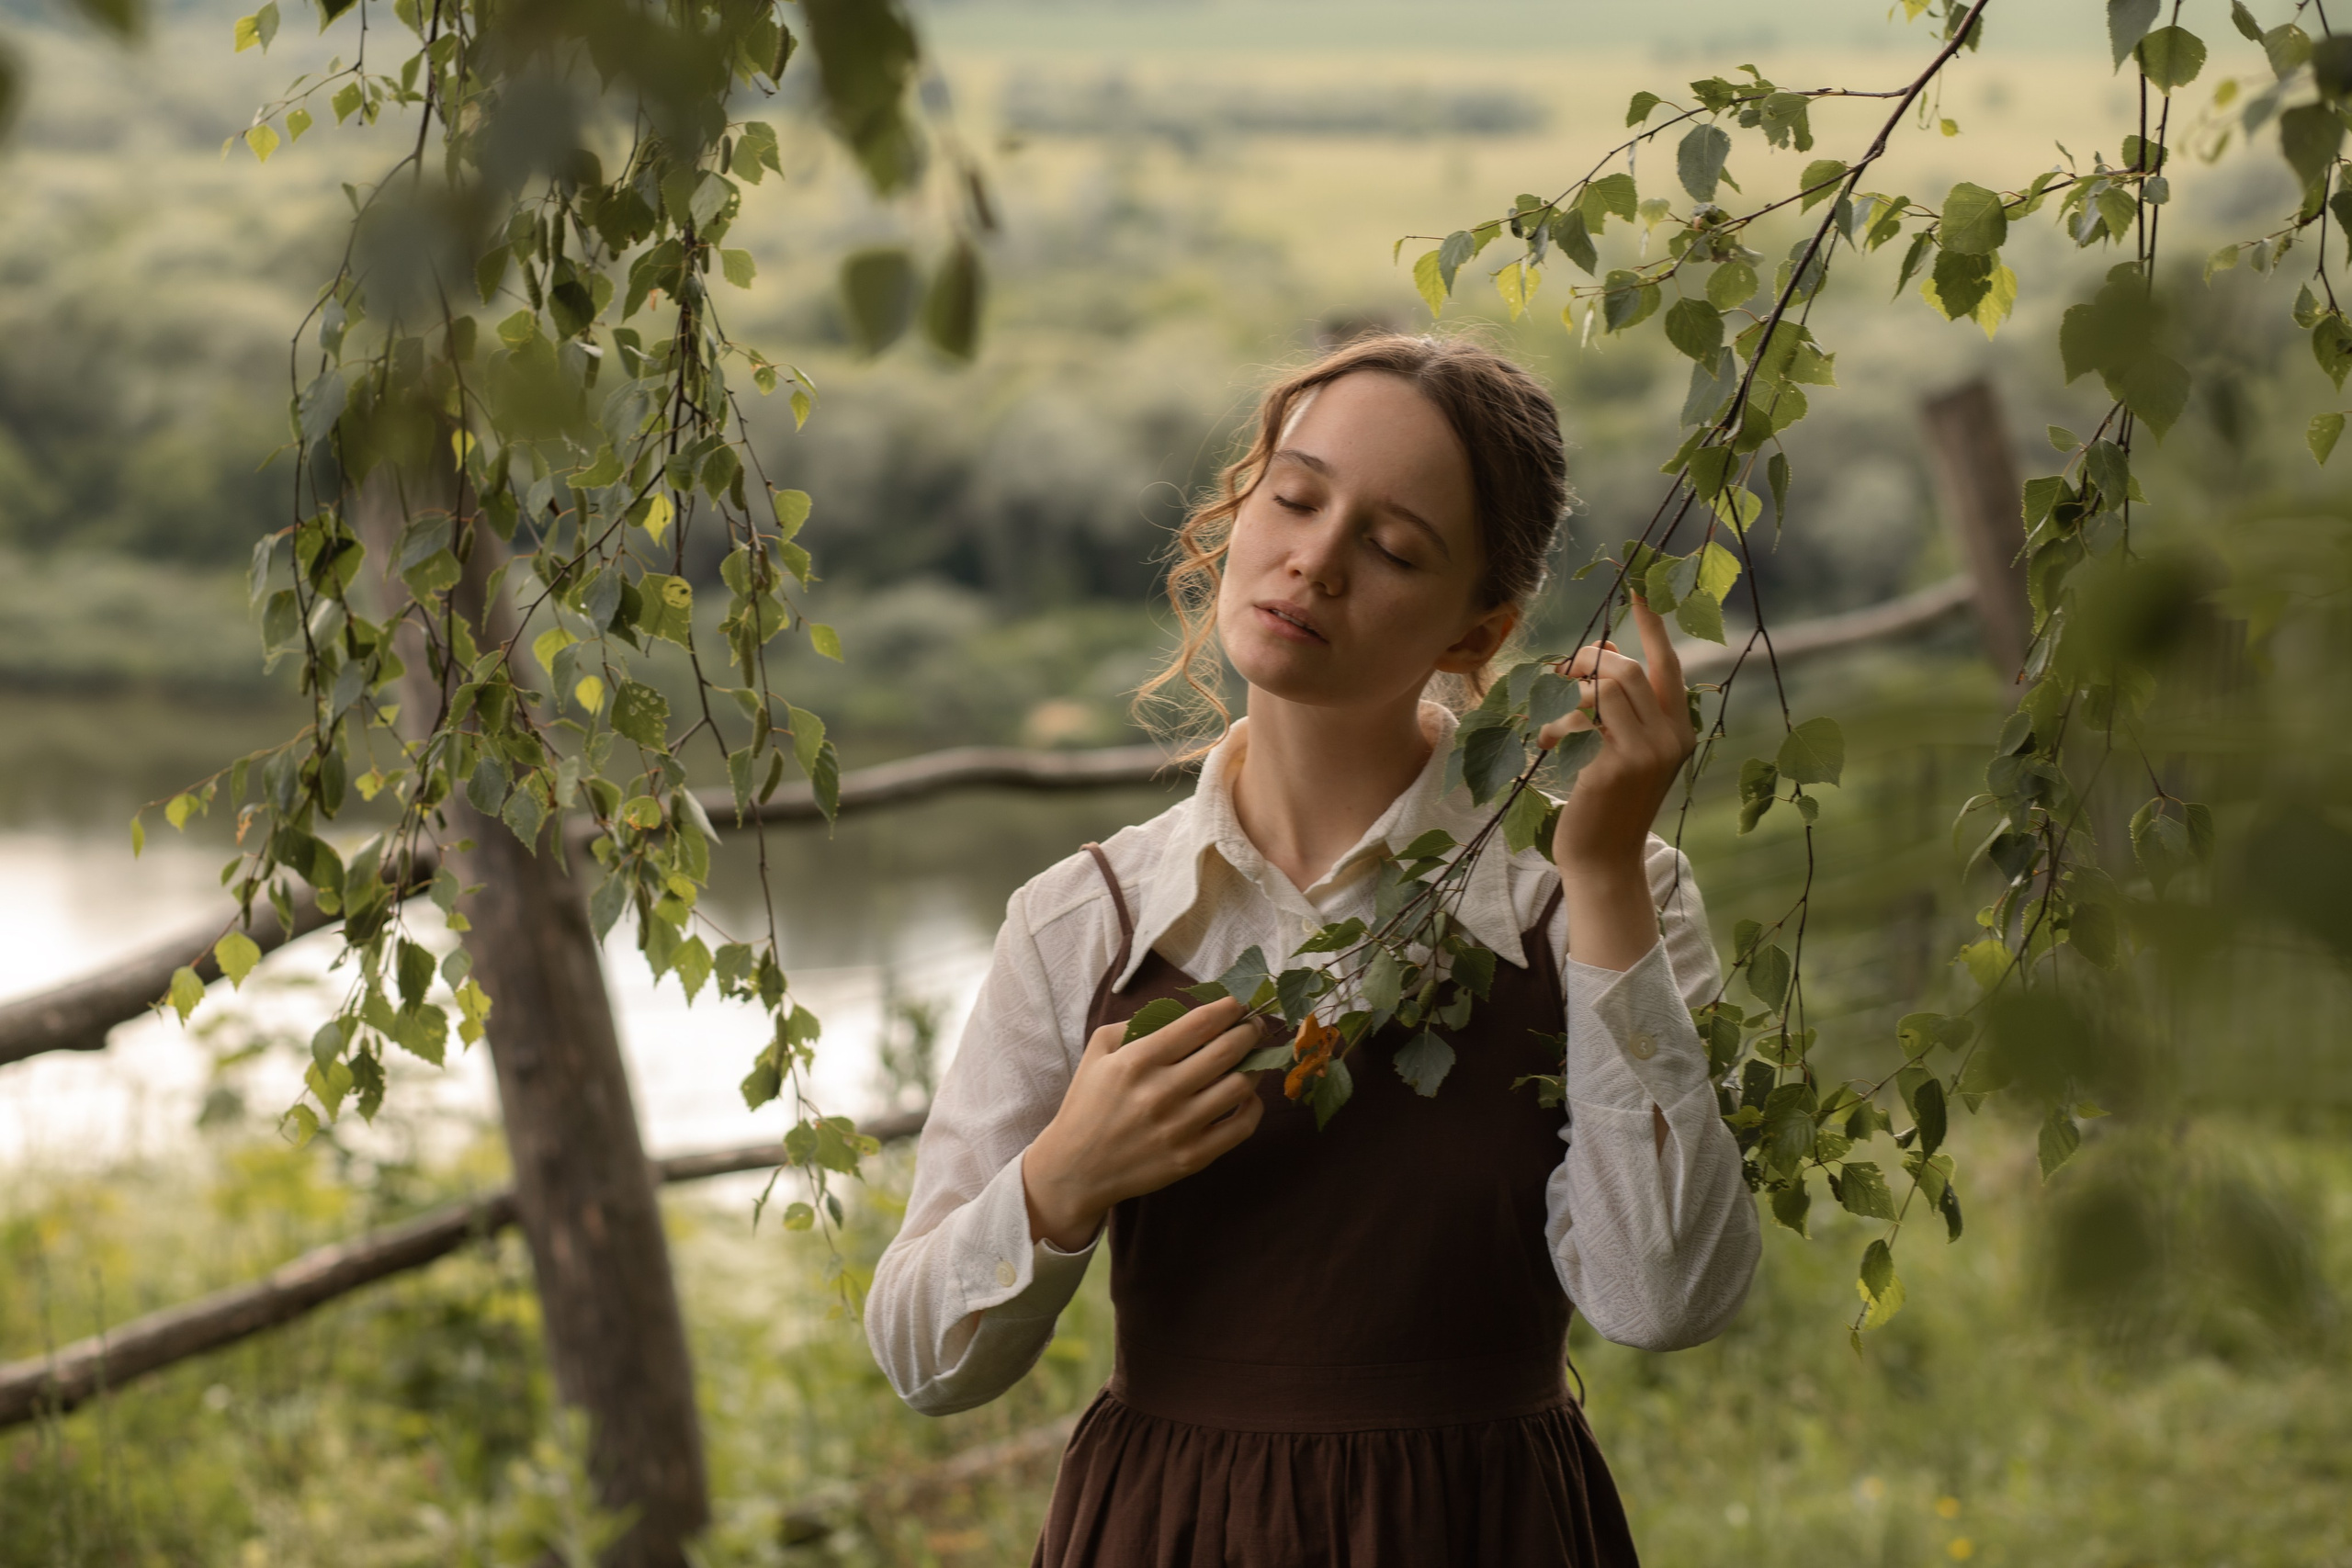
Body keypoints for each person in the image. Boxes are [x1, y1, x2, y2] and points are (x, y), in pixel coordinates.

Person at [865, 333, 1761, 1566]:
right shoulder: (1089, 920)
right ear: (1239, 511)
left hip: (1483, 1532)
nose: (1317, 561)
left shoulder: (1594, 894)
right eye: (1295, 497)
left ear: (1475, 632)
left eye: (1393, 549)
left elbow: (1665, 1298)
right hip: (1170, 1533)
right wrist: (1060, 1181)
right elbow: (923, 1360)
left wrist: (1603, 876)